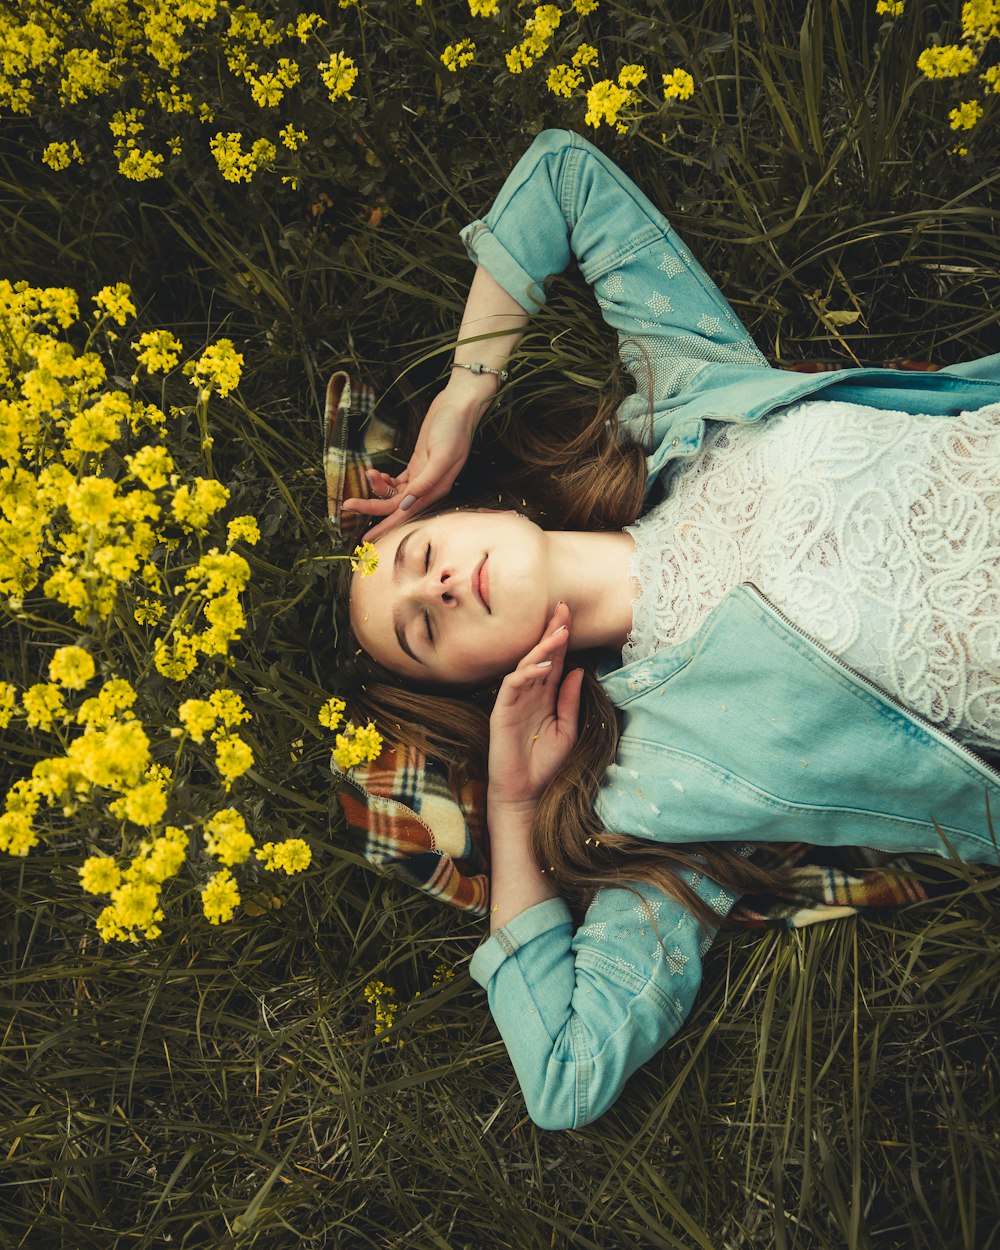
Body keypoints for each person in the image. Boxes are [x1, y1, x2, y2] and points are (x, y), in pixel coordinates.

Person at [340, 129, 1000, 1130]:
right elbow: (566, 1073)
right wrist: (513, 803)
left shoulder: (691, 396)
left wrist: (462, 393)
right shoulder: (660, 784)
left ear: (468, 504)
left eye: (414, 553)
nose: (433, 587)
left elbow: (561, 175)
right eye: (419, 631)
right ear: (478, 677)